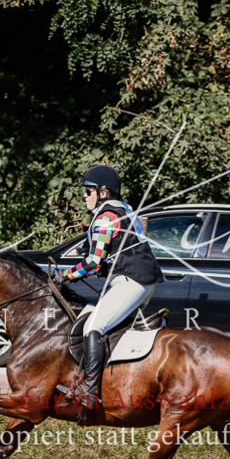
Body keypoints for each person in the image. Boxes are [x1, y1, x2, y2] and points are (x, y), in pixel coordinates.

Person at [56, 165, 164, 425]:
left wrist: (66, 275)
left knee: (93, 326)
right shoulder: (122, 209)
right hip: (136, 280)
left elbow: (94, 261)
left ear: (103, 192)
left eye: (88, 191)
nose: (84, 196)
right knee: (105, 325)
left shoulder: (106, 217)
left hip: (131, 281)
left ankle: (90, 392)